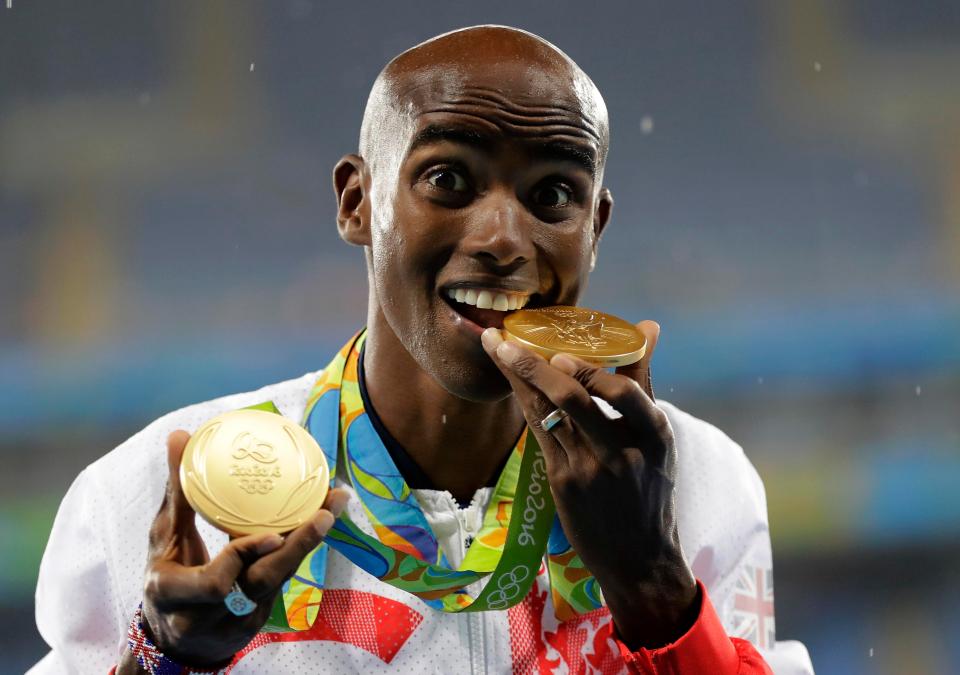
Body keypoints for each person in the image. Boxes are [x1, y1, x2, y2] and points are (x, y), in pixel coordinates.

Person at [30, 25, 814, 674]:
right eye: (447, 178)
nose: (505, 238)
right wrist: (161, 658)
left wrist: (655, 588)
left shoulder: (698, 485)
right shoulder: (162, 496)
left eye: (552, 195)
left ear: (595, 228)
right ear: (356, 201)